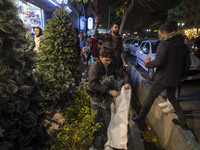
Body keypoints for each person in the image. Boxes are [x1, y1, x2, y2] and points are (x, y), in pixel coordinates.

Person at [132, 23, 191, 130]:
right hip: (175, 78)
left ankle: (141, 118)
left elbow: (159, 61)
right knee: (172, 98)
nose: (159, 37)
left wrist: (147, 64)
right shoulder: (184, 45)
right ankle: (183, 123)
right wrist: (182, 76)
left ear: (165, 32)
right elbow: (188, 63)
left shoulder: (164, 44)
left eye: (159, 35)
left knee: (150, 98)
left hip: (162, 78)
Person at [88, 45, 131, 148]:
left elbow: (123, 73)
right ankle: (98, 136)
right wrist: (109, 91)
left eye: (110, 60)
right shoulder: (95, 67)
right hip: (96, 97)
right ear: (100, 57)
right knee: (96, 117)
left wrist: (127, 82)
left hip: (106, 98)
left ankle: (108, 137)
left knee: (107, 118)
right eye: (106, 60)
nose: (109, 62)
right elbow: (93, 84)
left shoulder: (112, 66)